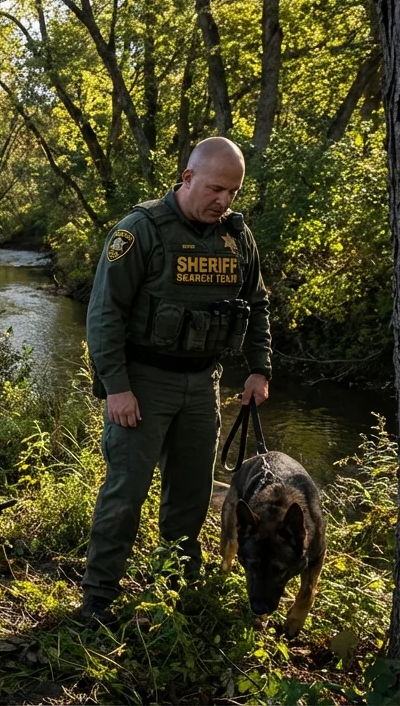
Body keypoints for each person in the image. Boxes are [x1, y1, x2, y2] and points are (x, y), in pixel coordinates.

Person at [76, 136, 273, 625]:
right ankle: (99, 597)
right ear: (187, 178)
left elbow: (258, 303)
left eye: (232, 191)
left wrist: (259, 367)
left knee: (191, 495)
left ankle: (175, 587)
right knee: (126, 494)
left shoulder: (237, 236)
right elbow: (104, 314)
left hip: (203, 383)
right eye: (215, 189)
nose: (223, 200)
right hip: (143, 383)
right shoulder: (140, 231)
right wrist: (116, 385)